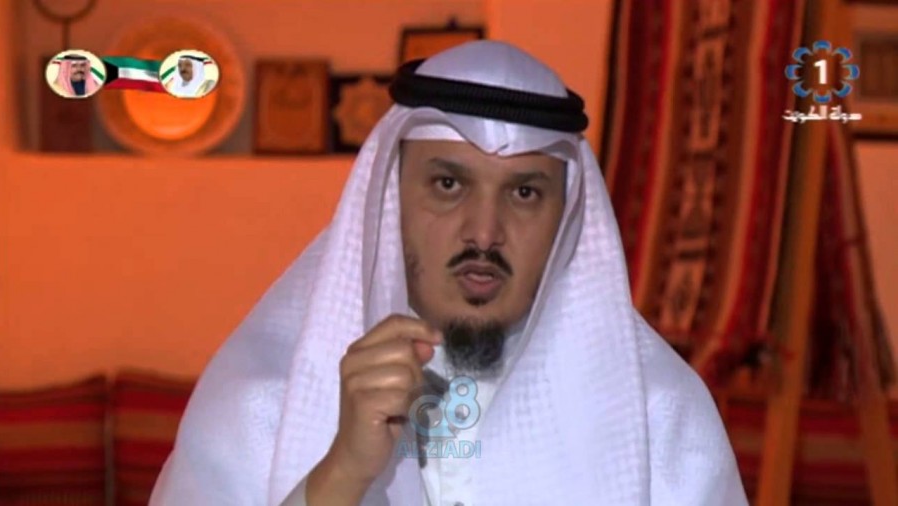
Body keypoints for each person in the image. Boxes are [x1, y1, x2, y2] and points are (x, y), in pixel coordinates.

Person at [149, 40, 747, 505]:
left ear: (564, 220)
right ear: (391, 199)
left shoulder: (657, 416)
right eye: (448, 184)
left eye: (524, 193)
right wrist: (344, 471)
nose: (483, 234)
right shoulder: (263, 403)